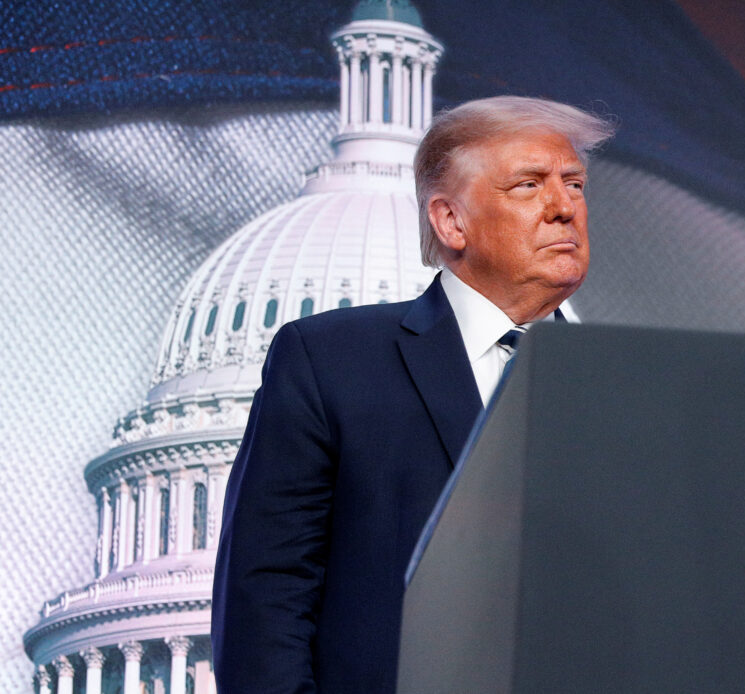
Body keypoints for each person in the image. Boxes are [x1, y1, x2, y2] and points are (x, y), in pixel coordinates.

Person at [211, 95, 615, 693]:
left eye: (574, 183)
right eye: (528, 185)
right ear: (451, 221)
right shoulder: (331, 360)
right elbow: (265, 595)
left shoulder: (623, 383)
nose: (563, 208)